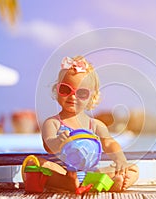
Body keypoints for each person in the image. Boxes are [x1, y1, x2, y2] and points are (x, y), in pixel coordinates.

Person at [29, 56, 139, 192]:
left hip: (90, 174)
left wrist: (120, 158)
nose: (72, 96)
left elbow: (109, 143)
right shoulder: (53, 123)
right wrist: (58, 142)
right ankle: (66, 183)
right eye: (65, 89)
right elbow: (48, 146)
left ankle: (114, 183)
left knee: (133, 168)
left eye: (81, 93)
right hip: (62, 171)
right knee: (37, 163)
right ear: (56, 91)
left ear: (92, 97)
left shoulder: (95, 125)